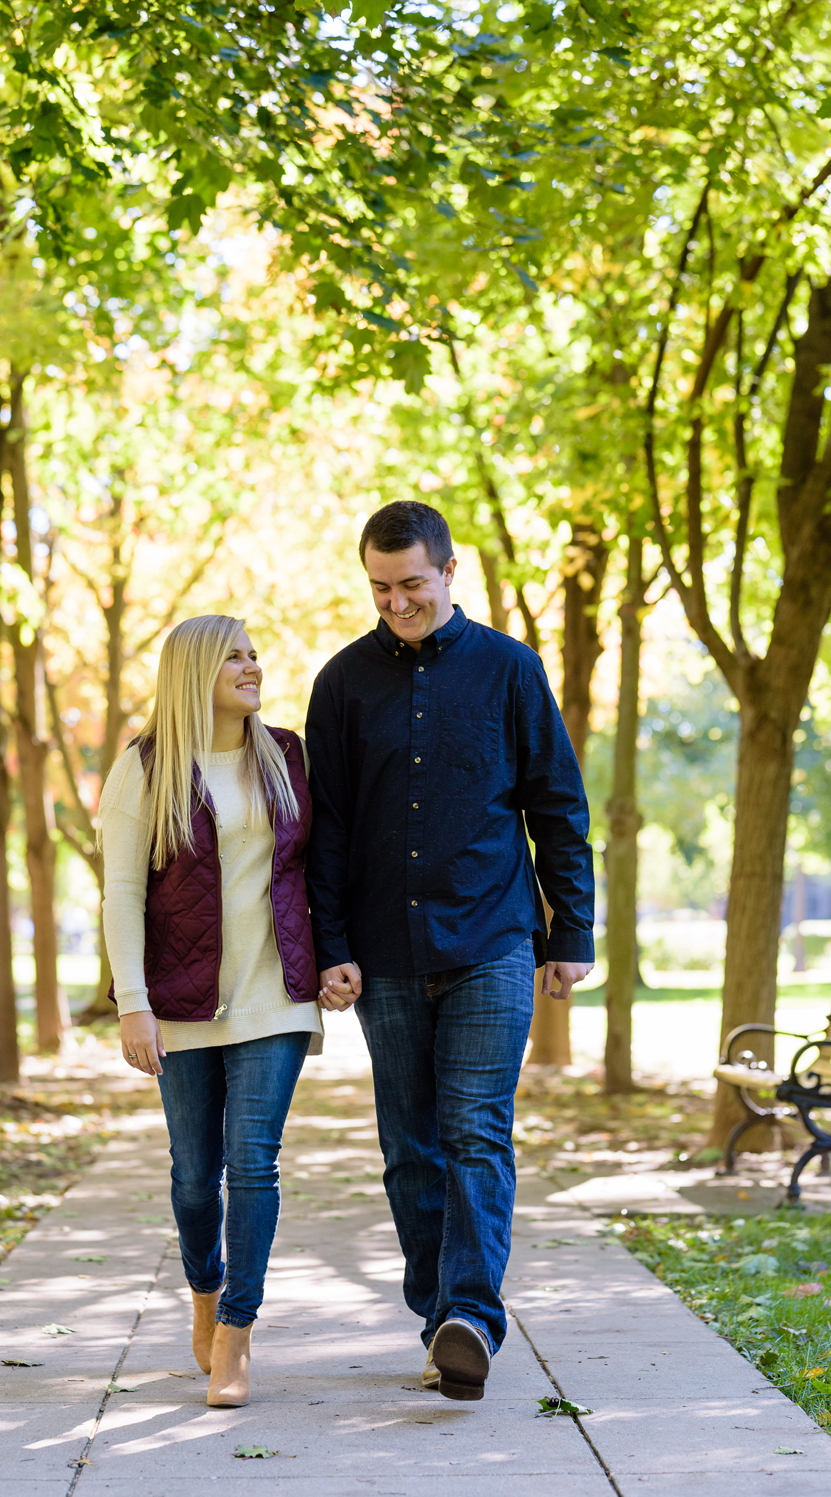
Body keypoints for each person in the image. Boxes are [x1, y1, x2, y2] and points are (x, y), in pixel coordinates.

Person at [306, 499, 593, 1403]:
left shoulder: (511, 669)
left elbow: (556, 802)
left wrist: (572, 930)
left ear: (449, 571)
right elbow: (329, 829)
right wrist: (331, 943)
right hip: (383, 951)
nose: (396, 603)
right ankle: (442, 1317)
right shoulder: (343, 682)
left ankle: (470, 1312)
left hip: (493, 939)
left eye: (412, 585)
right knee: (410, 1146)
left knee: (475, 1128)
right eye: (381, 588)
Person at [102, 614, 347, 1410]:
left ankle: (238, 1331)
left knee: (254, 1164)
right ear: (194, 670)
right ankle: (203, 1291)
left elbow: (319, 869)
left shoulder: (286, 755)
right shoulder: (145, 768)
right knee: (192, 1174)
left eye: (253, 652)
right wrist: (132, 1004)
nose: (253, 664)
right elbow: (123, 896)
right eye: (234, 655)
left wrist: (336, 960)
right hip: (181, 1002)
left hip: (275, 995)